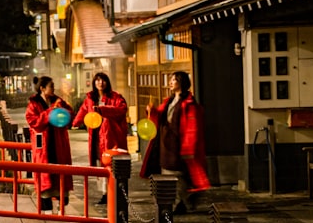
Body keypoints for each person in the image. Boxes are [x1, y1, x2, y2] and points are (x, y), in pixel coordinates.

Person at [139, 71, 210, 214]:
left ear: (181, 82)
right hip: (166, 144)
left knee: (178, 174)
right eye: (170, 80)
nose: (170, 82)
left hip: (179, 143)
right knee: (168, 173)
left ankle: (181, 201)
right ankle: (179, 202)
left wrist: (189, 146)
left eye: (174, 80)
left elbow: (192, 127)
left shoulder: (189, 104)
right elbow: (159, 117)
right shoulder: (169, 101)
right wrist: (152, 112)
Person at [72, 72, 129, 205]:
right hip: (96, 137)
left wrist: (102, 110)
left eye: (103, 80)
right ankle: (105, 192)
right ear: (94, 83)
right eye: (97, 80)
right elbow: (83, 111)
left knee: (111, 164)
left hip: (111, 137)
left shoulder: (116, 97)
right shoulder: (90, 98)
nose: (100, 83)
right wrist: (74, 122)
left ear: (107, 82)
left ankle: (112, 193)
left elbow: (121, 110)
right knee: (100, 165)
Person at [25, 75, 74, 212]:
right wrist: (50, 113)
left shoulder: (59, 101)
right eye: (51, 86)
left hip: (59, 142)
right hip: (43, 144)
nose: (53, 88)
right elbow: (33, 122)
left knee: (60, 175)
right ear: (42, 88)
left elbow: (70, 114)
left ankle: (60, 211)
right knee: (45, 177)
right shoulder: (34, 104)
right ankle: (47, 212)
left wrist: (62, 111)